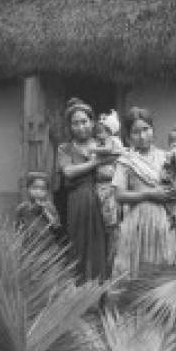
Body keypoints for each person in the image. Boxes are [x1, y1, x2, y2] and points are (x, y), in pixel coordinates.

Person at [112, 107, 176, 278]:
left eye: (146, 129)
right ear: (129, 136)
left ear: (153, 129)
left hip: (165, 221)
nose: (142, 136)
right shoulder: (126, 161)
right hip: (138, 224)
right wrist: (148, 195)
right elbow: (119, 195)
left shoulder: (167, 157)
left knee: (161, 272)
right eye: (136, 132)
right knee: (138, 271)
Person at [56, 98, 112, 282]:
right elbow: (69, 171)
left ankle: (101, 295)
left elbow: (114, 169)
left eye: (84, 121)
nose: (80, 127)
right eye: (75, 123)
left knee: (102, 245)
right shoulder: (65, 149)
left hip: (103, 200)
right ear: (70, 127)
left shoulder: (103, 145)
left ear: (92, 122)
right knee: (78, 245)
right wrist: (95, 162)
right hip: (78, 201)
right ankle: (79, 295)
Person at [94, 110, 124, 273]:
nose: (99, 135)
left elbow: (107, 152)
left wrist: (93, 150)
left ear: (110, 131)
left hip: (110, 186)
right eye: (97, 132)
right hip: (101, 185)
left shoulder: (113, 142)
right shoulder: (104, 143)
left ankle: (111, 260)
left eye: (102, 131)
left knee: (112, 221)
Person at [15, 172, 61, 243]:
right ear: (28, 188)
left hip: (47, 244)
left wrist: (45, 211)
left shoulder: (49, 206)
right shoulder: (22, 208)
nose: (38, 191)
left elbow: (56, 226)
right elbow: (17, 229)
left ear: (47, 191)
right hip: (28, 244)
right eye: (34, 188)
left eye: (42, 189)